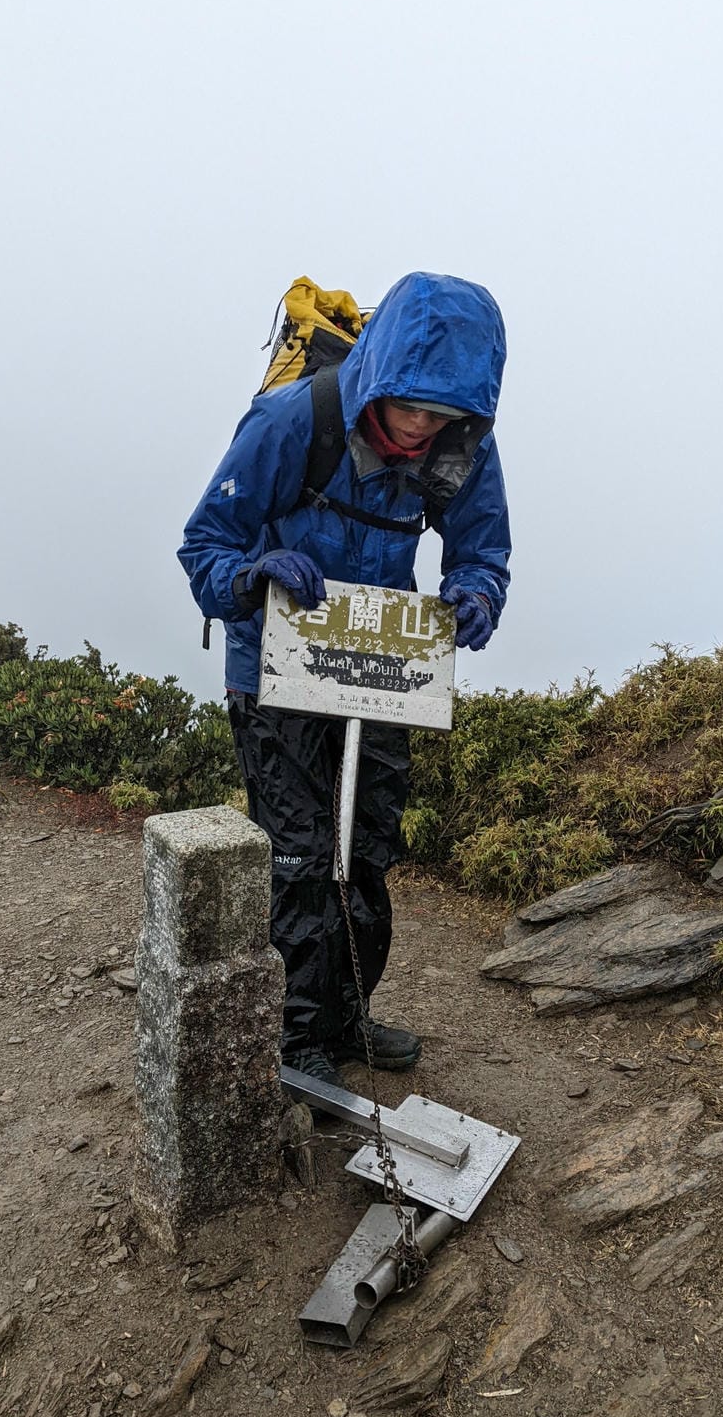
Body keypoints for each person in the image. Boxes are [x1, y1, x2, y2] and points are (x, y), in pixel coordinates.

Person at [178, 271, 510, 1087]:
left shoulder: (462, 443)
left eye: (442, 415)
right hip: (276, 674)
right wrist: (254, 573)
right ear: (380, 380)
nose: (423, 428)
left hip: (381, 672)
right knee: (297, 856)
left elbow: (482, 548)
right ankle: (296, 1044)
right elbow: (204, 545)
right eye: (411, 409)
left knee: (365, 852)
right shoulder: (295, 421)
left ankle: (345, 1012)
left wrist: (477, 594)